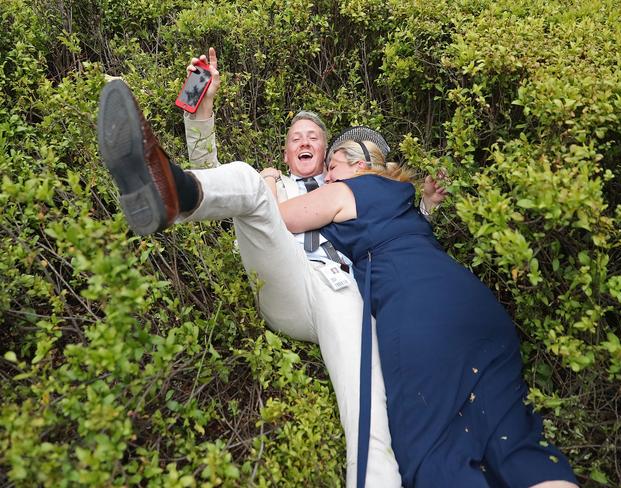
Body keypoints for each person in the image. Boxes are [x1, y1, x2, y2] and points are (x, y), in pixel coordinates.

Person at [96, 48, 445, 486]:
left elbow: (392, 235)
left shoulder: (350, 185)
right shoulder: (274, 184)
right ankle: (164, 191)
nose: (304, 141)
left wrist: (426, 209)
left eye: (314, 137)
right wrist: (200, 115)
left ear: (328, 151)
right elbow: (212, 177)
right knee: (243, 179)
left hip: (345, 293)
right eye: (296, 136)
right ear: (285, 151)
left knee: (368, 416)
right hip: (288, 279)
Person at [267, 136, 580, 488]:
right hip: (473, 305)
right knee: (517, 445)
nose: (327, 176)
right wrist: (429, 205)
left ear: (357, 165)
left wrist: (267, 180)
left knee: (435, 454)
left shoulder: (345, 189)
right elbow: (406, 234)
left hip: (415, 312)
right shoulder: (397, 195)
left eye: (332, 166)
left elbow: (276, 219)